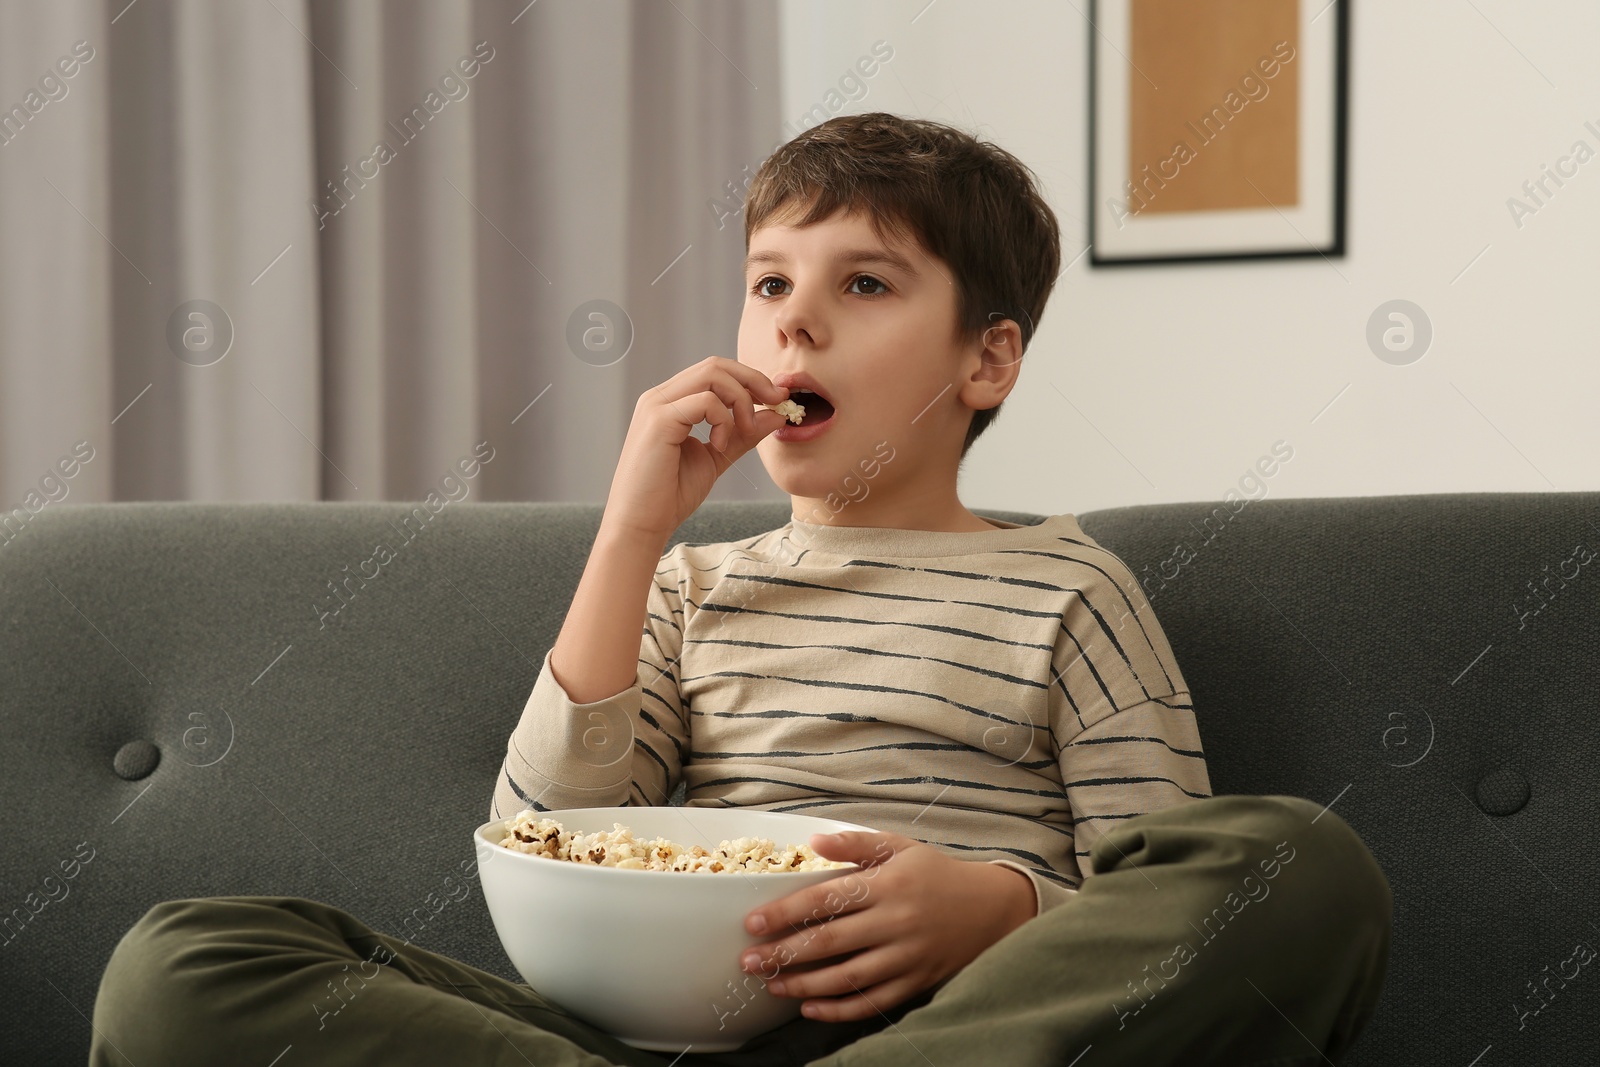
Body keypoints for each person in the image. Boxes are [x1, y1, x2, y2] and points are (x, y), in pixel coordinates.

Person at [89, 112, 1391, 1067]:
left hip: (963, 1032)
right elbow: (549, 842)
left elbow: (1162, 880)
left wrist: (1000, 909)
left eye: (863, 284)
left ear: (988, 361)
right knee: (188, 965)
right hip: (659, 1036)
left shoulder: (1065, 586)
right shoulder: (690, 590)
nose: (793, 325)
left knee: (1294, 863)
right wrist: (631, 534)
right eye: (770, 283)